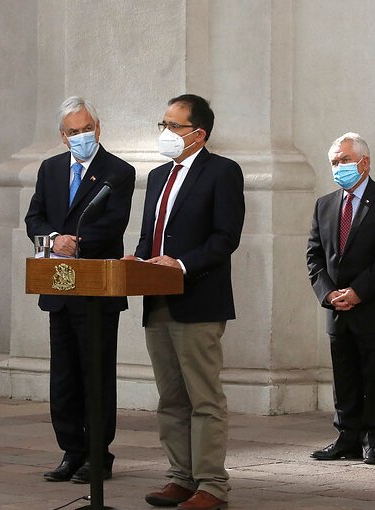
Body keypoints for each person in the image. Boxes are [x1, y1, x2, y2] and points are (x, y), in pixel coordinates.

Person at [125, 94, 244, 510]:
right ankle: (180, 477)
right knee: (171, 398)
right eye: (164, 125)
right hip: (157, 300)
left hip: (198, 300)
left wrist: (180, 264)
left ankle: (211, 485)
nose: (166, 133)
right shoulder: (158, 176)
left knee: (204, 398)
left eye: (174, 126)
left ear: (199, 134)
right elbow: (148, 236)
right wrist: (137, 262)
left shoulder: (222, 172)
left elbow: (225, 238)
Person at [25, 96, 135, 484]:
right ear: (62, 136)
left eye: (87, 128)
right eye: (73, 132)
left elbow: (113, 223)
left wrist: (78, 242)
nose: (81, 136)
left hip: (97, 289)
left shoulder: (118, 172)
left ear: (98, 127)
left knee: (96, 373)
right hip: (59, 285)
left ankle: (98, 454)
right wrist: (55, 239)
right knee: (64, 375)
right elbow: (34, 216)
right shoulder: (50, 169)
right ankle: (70, 451)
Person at [306, 133, 375, 466]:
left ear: (363, 162)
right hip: (337, 309)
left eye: (344, 161)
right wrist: (328, 293)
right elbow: (314, 255)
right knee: (345, 379)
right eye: (334, 162)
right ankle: (346, 438)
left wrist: (358, 291)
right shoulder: (325, 204)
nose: (339, 167)